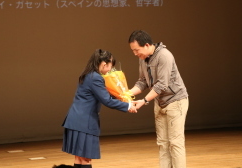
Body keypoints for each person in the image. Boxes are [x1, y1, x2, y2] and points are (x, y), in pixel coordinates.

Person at [62, 49, 137, 168]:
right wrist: (128, 106)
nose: (111, 69)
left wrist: (123, 97)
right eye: (111, 65)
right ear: (104, 64)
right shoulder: (96, 77)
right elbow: (106, 100)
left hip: (75, 120)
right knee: (86, 159)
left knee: (79, 158)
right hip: (84, 123)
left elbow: (103, 94)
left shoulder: (87, 74)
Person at [129, 30, 189, 168]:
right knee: (162, 143)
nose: (135, 53)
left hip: (176, 101)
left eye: (136, 50)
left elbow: (162, 85)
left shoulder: (164, 56)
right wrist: (127, 93)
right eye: (133, 51)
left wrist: (143, 101)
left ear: (147, 45)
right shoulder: (143, 58)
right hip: (159, 102)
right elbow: (142, 82)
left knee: (175, 142)